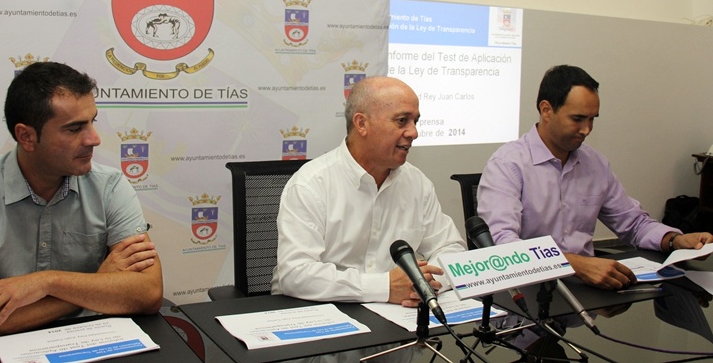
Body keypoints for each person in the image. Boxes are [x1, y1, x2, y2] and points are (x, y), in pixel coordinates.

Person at [0, 62, 163, 337]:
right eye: (74, 128)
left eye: (92, 122)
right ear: (27, 137)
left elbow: (149, 292)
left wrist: (47, 282)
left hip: (87, 339)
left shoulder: (110, 186)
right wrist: (97, 284)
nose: (94, 139)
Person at [477, 64, 713, 290]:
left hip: (588, 290)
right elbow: (503, 245)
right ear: (546, 110)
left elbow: (633, 224)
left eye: (592, 119)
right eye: (578, 119)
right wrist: (576, 264)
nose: (587, 130)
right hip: (532, 291)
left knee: (671, 293)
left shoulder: (594, 164)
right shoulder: (507, 165)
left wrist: (674, 240)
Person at [271, 76, 465, 306]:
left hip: (398, 313)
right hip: (321, 313)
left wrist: (425, 285)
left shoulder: (417, 183)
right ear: (362, 124)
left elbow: (450, 248)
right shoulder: (311, 184)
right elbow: (295, 274)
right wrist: (384, 287)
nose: (414, 132)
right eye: (402, 121)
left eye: (415, 121)